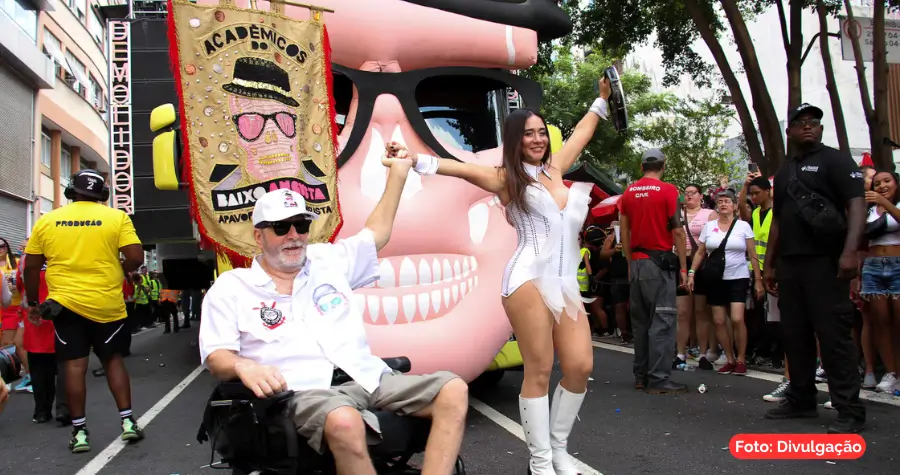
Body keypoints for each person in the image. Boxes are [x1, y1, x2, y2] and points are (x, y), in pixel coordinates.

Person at [382, 78, 612, 474]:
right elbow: (455, 168)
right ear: (515, 140)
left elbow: (583, 129)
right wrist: (410, 156)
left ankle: (558, 451)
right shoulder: (506, 178)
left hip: (565, 285)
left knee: (579, 366)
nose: (538, 139)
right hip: (526, 281)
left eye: (541, 132)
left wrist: (602, 99)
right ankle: (540, 463)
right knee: (538, 369)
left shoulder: (557, 168)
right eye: (528, 134)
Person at [200, 165, 469, 475]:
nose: (294, 236)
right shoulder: (233, 287)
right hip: (302, 390)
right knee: (344, 419)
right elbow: (216, 354)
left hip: (365, 377)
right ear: (258, 235)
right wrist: (243, 366)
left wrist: (398, 172)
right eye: (281, 227)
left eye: (301, 226)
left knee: (453, 389)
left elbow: (377, 232)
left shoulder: (327, 261)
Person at [24, 169, 146, 452]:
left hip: (64, 306)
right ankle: (128, 423)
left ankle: (79, 432)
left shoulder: (48, 220)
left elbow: (31, 266)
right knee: (113, 360)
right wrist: (120, 269)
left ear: (71, 192)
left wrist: (33, 303)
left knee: (74, 367)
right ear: (102, 194)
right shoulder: (117, 218)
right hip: (107, 305)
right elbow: (136, 257)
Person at [763, 103, 866, 433]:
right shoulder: (784, 171)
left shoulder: (836, 161)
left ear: (820, 130)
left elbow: (857, 205)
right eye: (801, 122)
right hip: (791, 265)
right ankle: (802, 398)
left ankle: (849, 409)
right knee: (795, 336)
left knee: (834, 337)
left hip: (826, 263)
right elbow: (778, 219)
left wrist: (850, 252)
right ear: (789, 131)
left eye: (814, 123)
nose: (809, 126)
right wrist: (769, 265)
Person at [618, 149, 688, 394]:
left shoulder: (628, 193)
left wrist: (629, 263)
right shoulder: (669, 191)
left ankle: (641, 376)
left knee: (640, 323)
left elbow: (624, 232)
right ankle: (659, 379)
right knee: (663, 321)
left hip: (636, 262)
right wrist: (683, 268)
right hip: (659, 264)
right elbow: (678, 231)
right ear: (663, 166)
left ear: (641, 167)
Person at [688, 190, 763, 376]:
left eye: (727, 201)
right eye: (720, 201)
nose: (723, 204)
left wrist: (758, 280)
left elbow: (752, 254)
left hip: (738, 276)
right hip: (715, 279)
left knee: (737, 318)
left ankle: (741, 359)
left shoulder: (743, 226)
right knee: (719, 320)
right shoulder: (709, 226)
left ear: (735, 206)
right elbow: (700, 252)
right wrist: (691, 273)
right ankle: (729, 358)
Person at [17, 251, 70, 424]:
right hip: (60, 315)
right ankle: (64, 410)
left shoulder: (25, 260)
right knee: (65, 366)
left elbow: (21, 287)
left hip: (35, 317)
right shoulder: (65, 255)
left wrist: (32, 305)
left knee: (39, 366)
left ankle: (41, 411)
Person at [859, 170, 900, 393]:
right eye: (877, 183)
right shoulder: (869, 210)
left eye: (887, 181)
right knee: (881, 321)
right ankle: (891, 372)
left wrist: (885, 202)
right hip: (873, 267)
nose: (882, 186)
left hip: (897, 265)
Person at [675, 184, 717, 371]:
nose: (689, 196)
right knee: (683, 312)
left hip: (701, 266)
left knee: (701, 311)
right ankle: (680, 353)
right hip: (680, 264)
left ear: (701, 196)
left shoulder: (709, 214)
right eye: (687, 193)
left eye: (693, 193)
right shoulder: (677, 215)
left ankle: (702, 353)